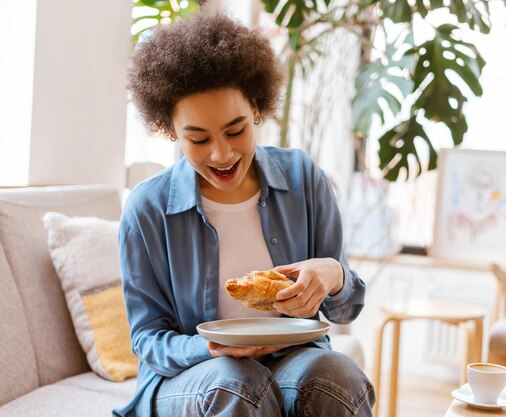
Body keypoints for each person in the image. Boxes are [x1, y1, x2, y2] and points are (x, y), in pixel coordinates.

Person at [115, 9, 374, 417]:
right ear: (169, 129)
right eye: (198, 139)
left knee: (336, 375)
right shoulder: (147, 209)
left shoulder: (303, 178)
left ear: (256, 107)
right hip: (194, 374)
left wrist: (334, 275)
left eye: (235, 131)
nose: (221, 154)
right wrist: (213, 346)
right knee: (236, 383)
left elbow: (346, 308)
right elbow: (148, 339)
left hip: (292, 359)